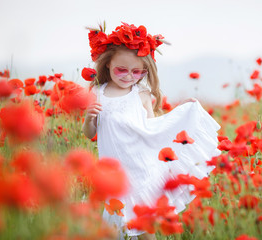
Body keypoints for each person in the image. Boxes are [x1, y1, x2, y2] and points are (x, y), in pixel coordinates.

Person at [82, 22, 221, 240]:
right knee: (111, 231)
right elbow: (90, 134)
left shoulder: (141, 95)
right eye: (122, 69)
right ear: (108, 64)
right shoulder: (98, 94)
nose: (128, 76)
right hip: (114, 175)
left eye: (137, 72)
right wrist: (89, 117)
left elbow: (154, 129)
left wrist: (181, 113)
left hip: (141, 171)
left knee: (146, 230)